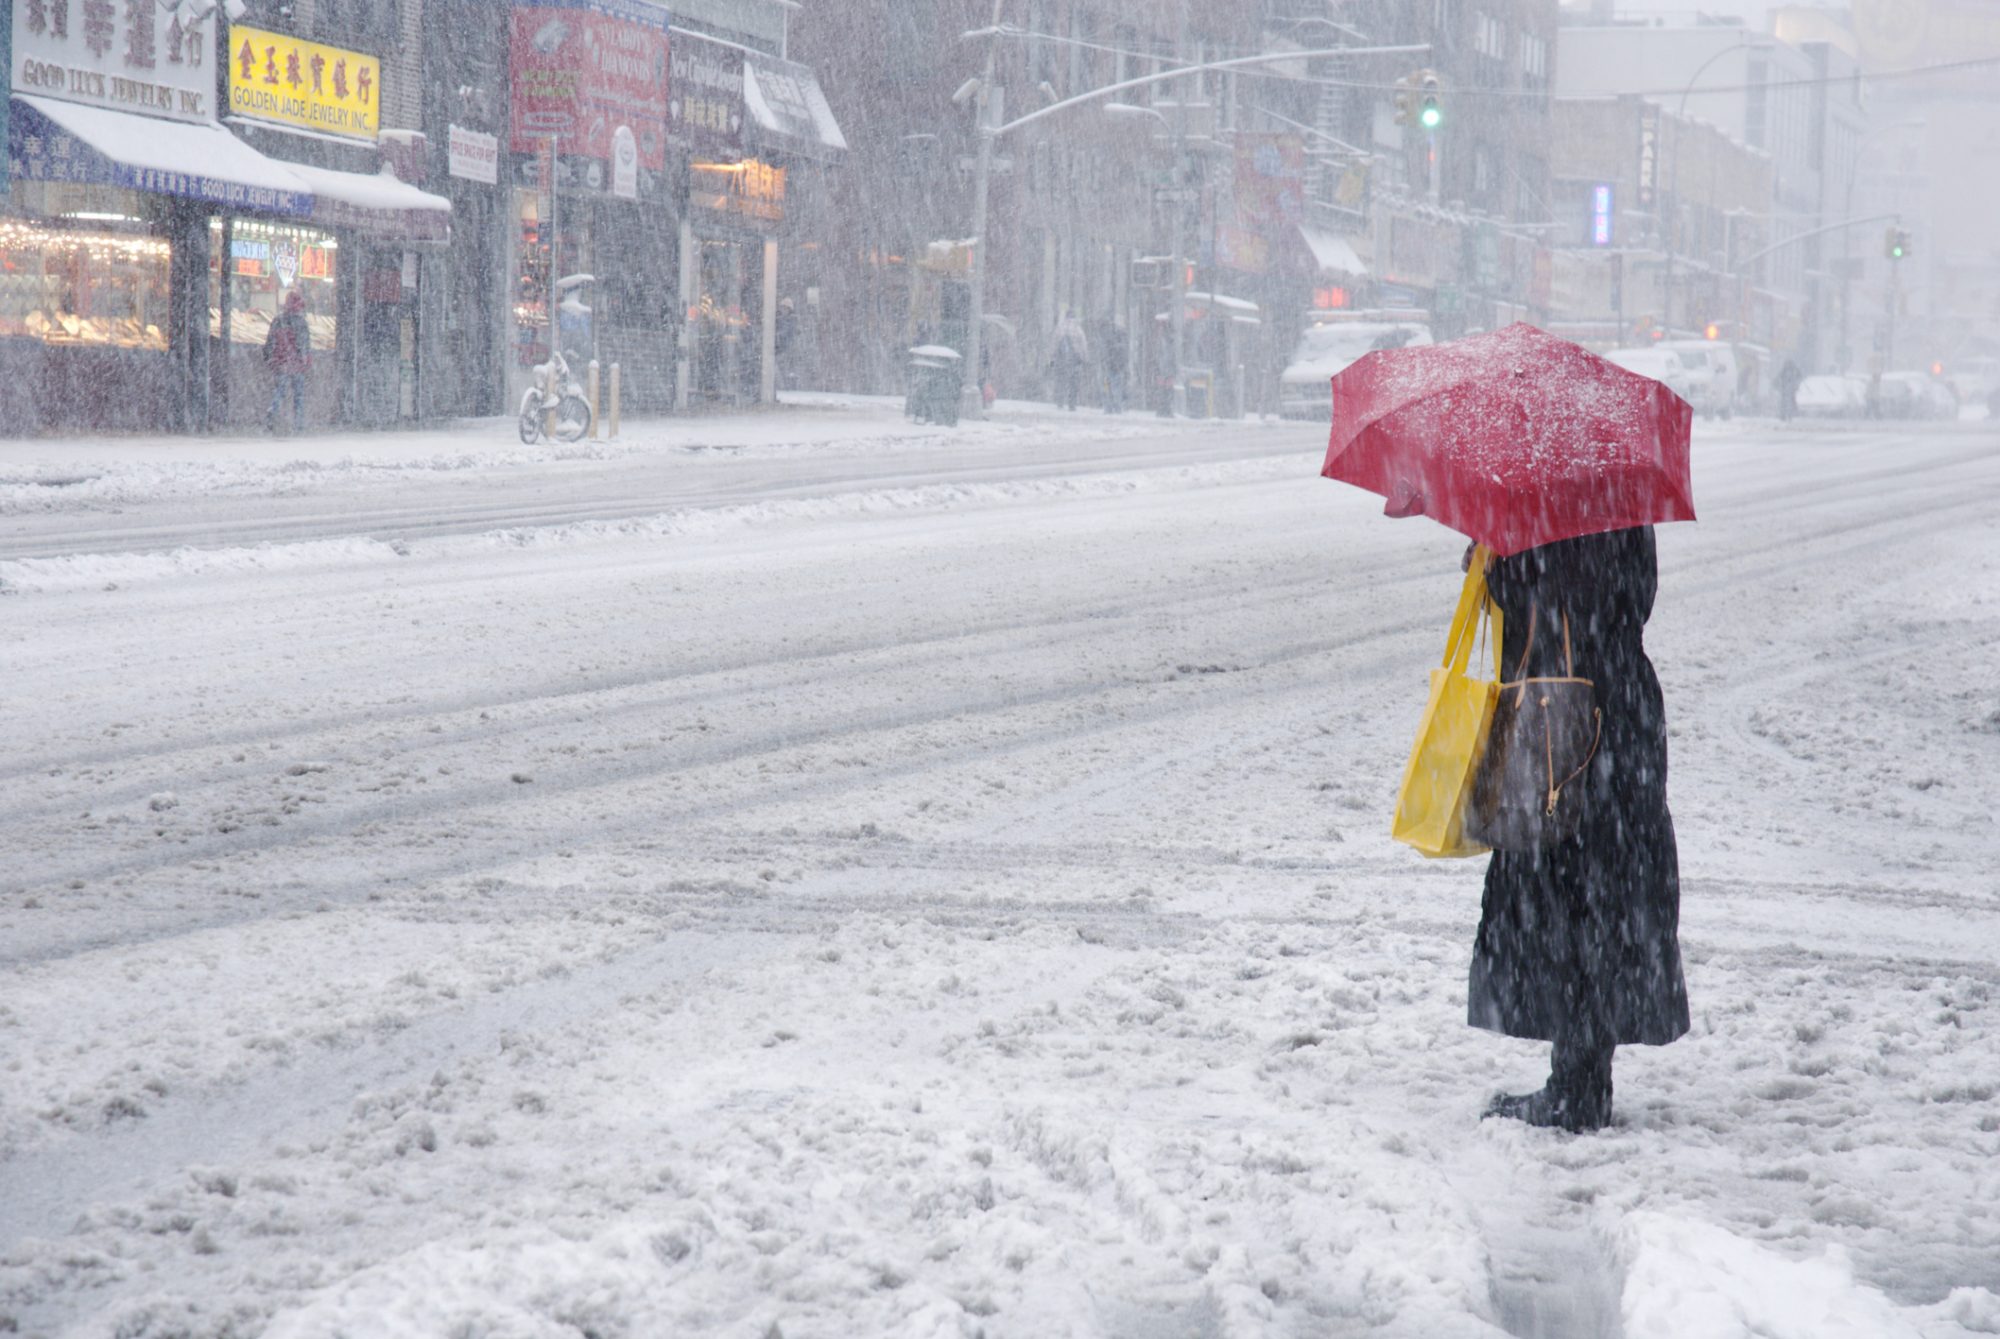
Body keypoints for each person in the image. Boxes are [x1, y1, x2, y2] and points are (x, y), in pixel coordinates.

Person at [1470, 526, 1688, 1133]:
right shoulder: (1619, 498)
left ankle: (1578, 1089)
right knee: (1609, 897)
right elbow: (1632, 595)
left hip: (1562, 721)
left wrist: (1498, 562)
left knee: (1567, 895)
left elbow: (1538, 597)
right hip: (1623, 709)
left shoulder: (1546, 510)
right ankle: (1583, 1074)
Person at [263, 290, 310, 435]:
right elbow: (304, 344)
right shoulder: (301, 322)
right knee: (298, 396)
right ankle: (298, 424)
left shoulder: (278, 320)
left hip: (280, 362)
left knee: (280, 391)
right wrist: (305, 359)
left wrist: (269, 358)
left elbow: (269, 341)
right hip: (296, 363)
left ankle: (273, 410)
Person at [1050, 309, 1090, 411]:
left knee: (1061, 380)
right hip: (1074, 360)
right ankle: (1072, 404)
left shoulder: (1060, 328)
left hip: (1061, 360)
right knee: (1073, 382)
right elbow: (1083, 344)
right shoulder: (1078, 329)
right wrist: (1085, 358)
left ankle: (1060, 401)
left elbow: (1054, 344)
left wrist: (1052, 359)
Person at [1098, 317, 1129, 414]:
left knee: (1107, 386)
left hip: (1109, 365)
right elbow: (1124, 353)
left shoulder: (1107, 335)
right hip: (1118, 366)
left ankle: (1108, 407)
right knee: (1117, 387)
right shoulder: (1121, 335)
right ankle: (1117, 407)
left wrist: (1105, 361)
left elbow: (1104, 351)